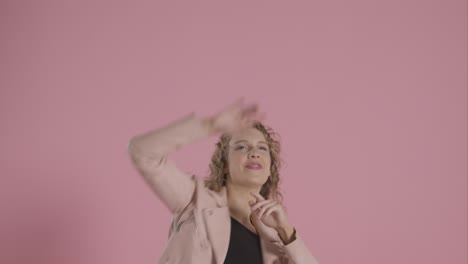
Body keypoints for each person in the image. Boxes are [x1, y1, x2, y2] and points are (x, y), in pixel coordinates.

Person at [127, 99, 319, 264]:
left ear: (270, 169)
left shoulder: (274, 238)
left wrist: (286, 231)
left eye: (262, 149)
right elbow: (142, 152)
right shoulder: (195, 200)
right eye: (242, 147)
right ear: (225, 164)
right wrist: (210, 125)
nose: (254, 152)